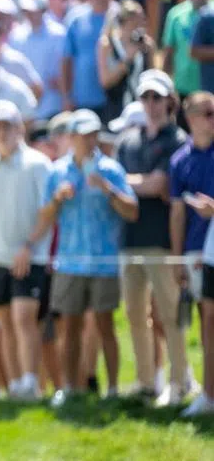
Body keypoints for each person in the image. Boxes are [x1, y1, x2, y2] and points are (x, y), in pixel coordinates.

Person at [29, 110, 138, 406]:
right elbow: (45, 215)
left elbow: (131, 210)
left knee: (105, 325)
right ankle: (70, 388)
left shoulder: (111, 169)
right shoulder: (57, 172)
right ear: (72, 137)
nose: (90, 140)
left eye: (93, 135)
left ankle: (113, 389)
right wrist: (57, 199)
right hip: (70, 262)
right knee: (71, 327)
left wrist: (108, 189)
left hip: (103, 262)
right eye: (84, 135)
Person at [0, 100, 53, 401]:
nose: (2, 132)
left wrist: (29, 246)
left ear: (20, 129)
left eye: (8, 126)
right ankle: (15, 384)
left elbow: (48, 210)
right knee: (4, 323)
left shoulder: (38, 164)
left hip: (29, 256)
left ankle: (31, 381)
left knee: (23, 319)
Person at [116, 71, 190, 403]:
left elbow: (157, 185)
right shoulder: (129, 141)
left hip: (162, 241)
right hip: (129, 239)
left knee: (170, 315)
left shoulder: (176, 140)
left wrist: (124, 183)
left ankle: (178, 383)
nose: (150, 104)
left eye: (156, 97)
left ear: (170, 101)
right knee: (134, 315)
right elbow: (137, 185)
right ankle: (147, 383)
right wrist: (138, 183)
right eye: (145, 97)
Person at [170, 92, 214, 415]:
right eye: (208, 113)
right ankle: (209, 395)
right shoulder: (179, 161)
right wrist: (177, 257)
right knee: (207, 322)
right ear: (191, 119)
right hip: (198, 252)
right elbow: (177, 213)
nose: (213, 119)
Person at [62, 0, 114, 117]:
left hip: (112, 99)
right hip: (82, 98)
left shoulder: (119, 16)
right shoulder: (75, 19)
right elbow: (66, 60)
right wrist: (66, 96)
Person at [98, 0, 154, 124]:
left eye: (142, 20)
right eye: (135, 21)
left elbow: (151, 76)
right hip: (115, 110)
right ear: (125, 21)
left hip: (141, 110)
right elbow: (105, 81)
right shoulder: (107, 44)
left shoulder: (146, 45)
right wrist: (127, 60)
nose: (140, 25)